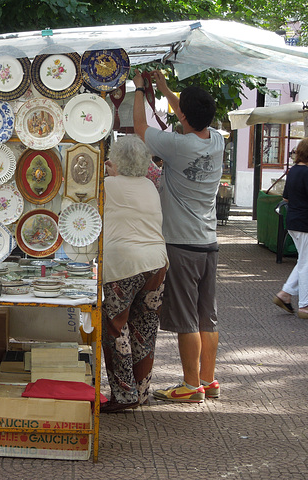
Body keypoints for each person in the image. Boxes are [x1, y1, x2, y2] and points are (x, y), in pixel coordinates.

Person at [133, 70, 224, 403]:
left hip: (181, 243)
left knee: (186, 318)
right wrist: (167, 90)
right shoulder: (216, 139)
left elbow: (141, 128)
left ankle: (189, 386)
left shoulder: (176, 145)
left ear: (182, 114)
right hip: (208, 242)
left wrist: (141, 91)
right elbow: (188, 114)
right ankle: (208, 380)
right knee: (207, 315)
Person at [100, 135, 169, 413]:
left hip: (125, 265)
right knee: (145, 328)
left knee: (116, 327)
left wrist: (109, 173)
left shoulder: (108, 185)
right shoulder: (149, 186)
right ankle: (141, 391)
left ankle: (123, 394)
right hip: (157, 262)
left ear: (116, 161)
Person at [274, 138, 308, 318]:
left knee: (304, 260)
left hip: (294, 221)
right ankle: (305, 305)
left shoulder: (293, 171)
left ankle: (285, 294)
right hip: (305, 223)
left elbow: (286, 197)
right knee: (306, 263)